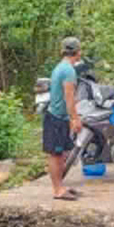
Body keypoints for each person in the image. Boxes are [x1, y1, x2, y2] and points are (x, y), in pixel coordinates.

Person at [43, 36, 83, 201]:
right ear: (78, 52)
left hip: (57, 116)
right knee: (56, 154)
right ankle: (58, 190)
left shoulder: (61, 67)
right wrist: (75, 118)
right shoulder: (68, 70)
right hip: (57, 117)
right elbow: (69, 96)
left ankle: (60, 186)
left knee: (61, 154)